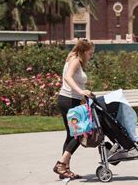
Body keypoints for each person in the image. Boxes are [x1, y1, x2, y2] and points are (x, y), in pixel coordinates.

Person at [52, 39, 94, 180]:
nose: (91, 56)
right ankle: (61, 164)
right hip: (69, 100)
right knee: (80, 133)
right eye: (90, 53)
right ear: (83, 51)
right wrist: (80, 91)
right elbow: (68, 77)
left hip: (68, 100)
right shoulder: (75, 60)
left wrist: (81, 93)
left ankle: (65, 170)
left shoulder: (72, 58)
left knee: (71, 135)